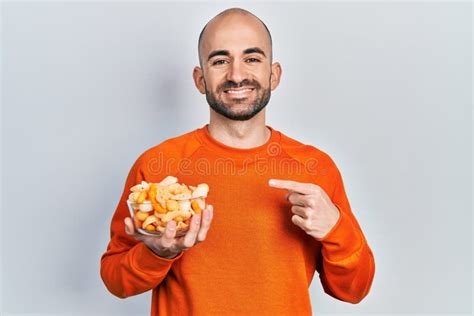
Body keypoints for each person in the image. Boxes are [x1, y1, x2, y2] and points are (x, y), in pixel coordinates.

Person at [100, 7, 375, 315]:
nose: (237, 74)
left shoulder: (315, 169)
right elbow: (116, 281)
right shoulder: (157, 167)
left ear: (274, 75)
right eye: (220, 61)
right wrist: (158, 253)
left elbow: (354, 290)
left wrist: (336, 228)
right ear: (200, 79)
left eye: (252, 59)